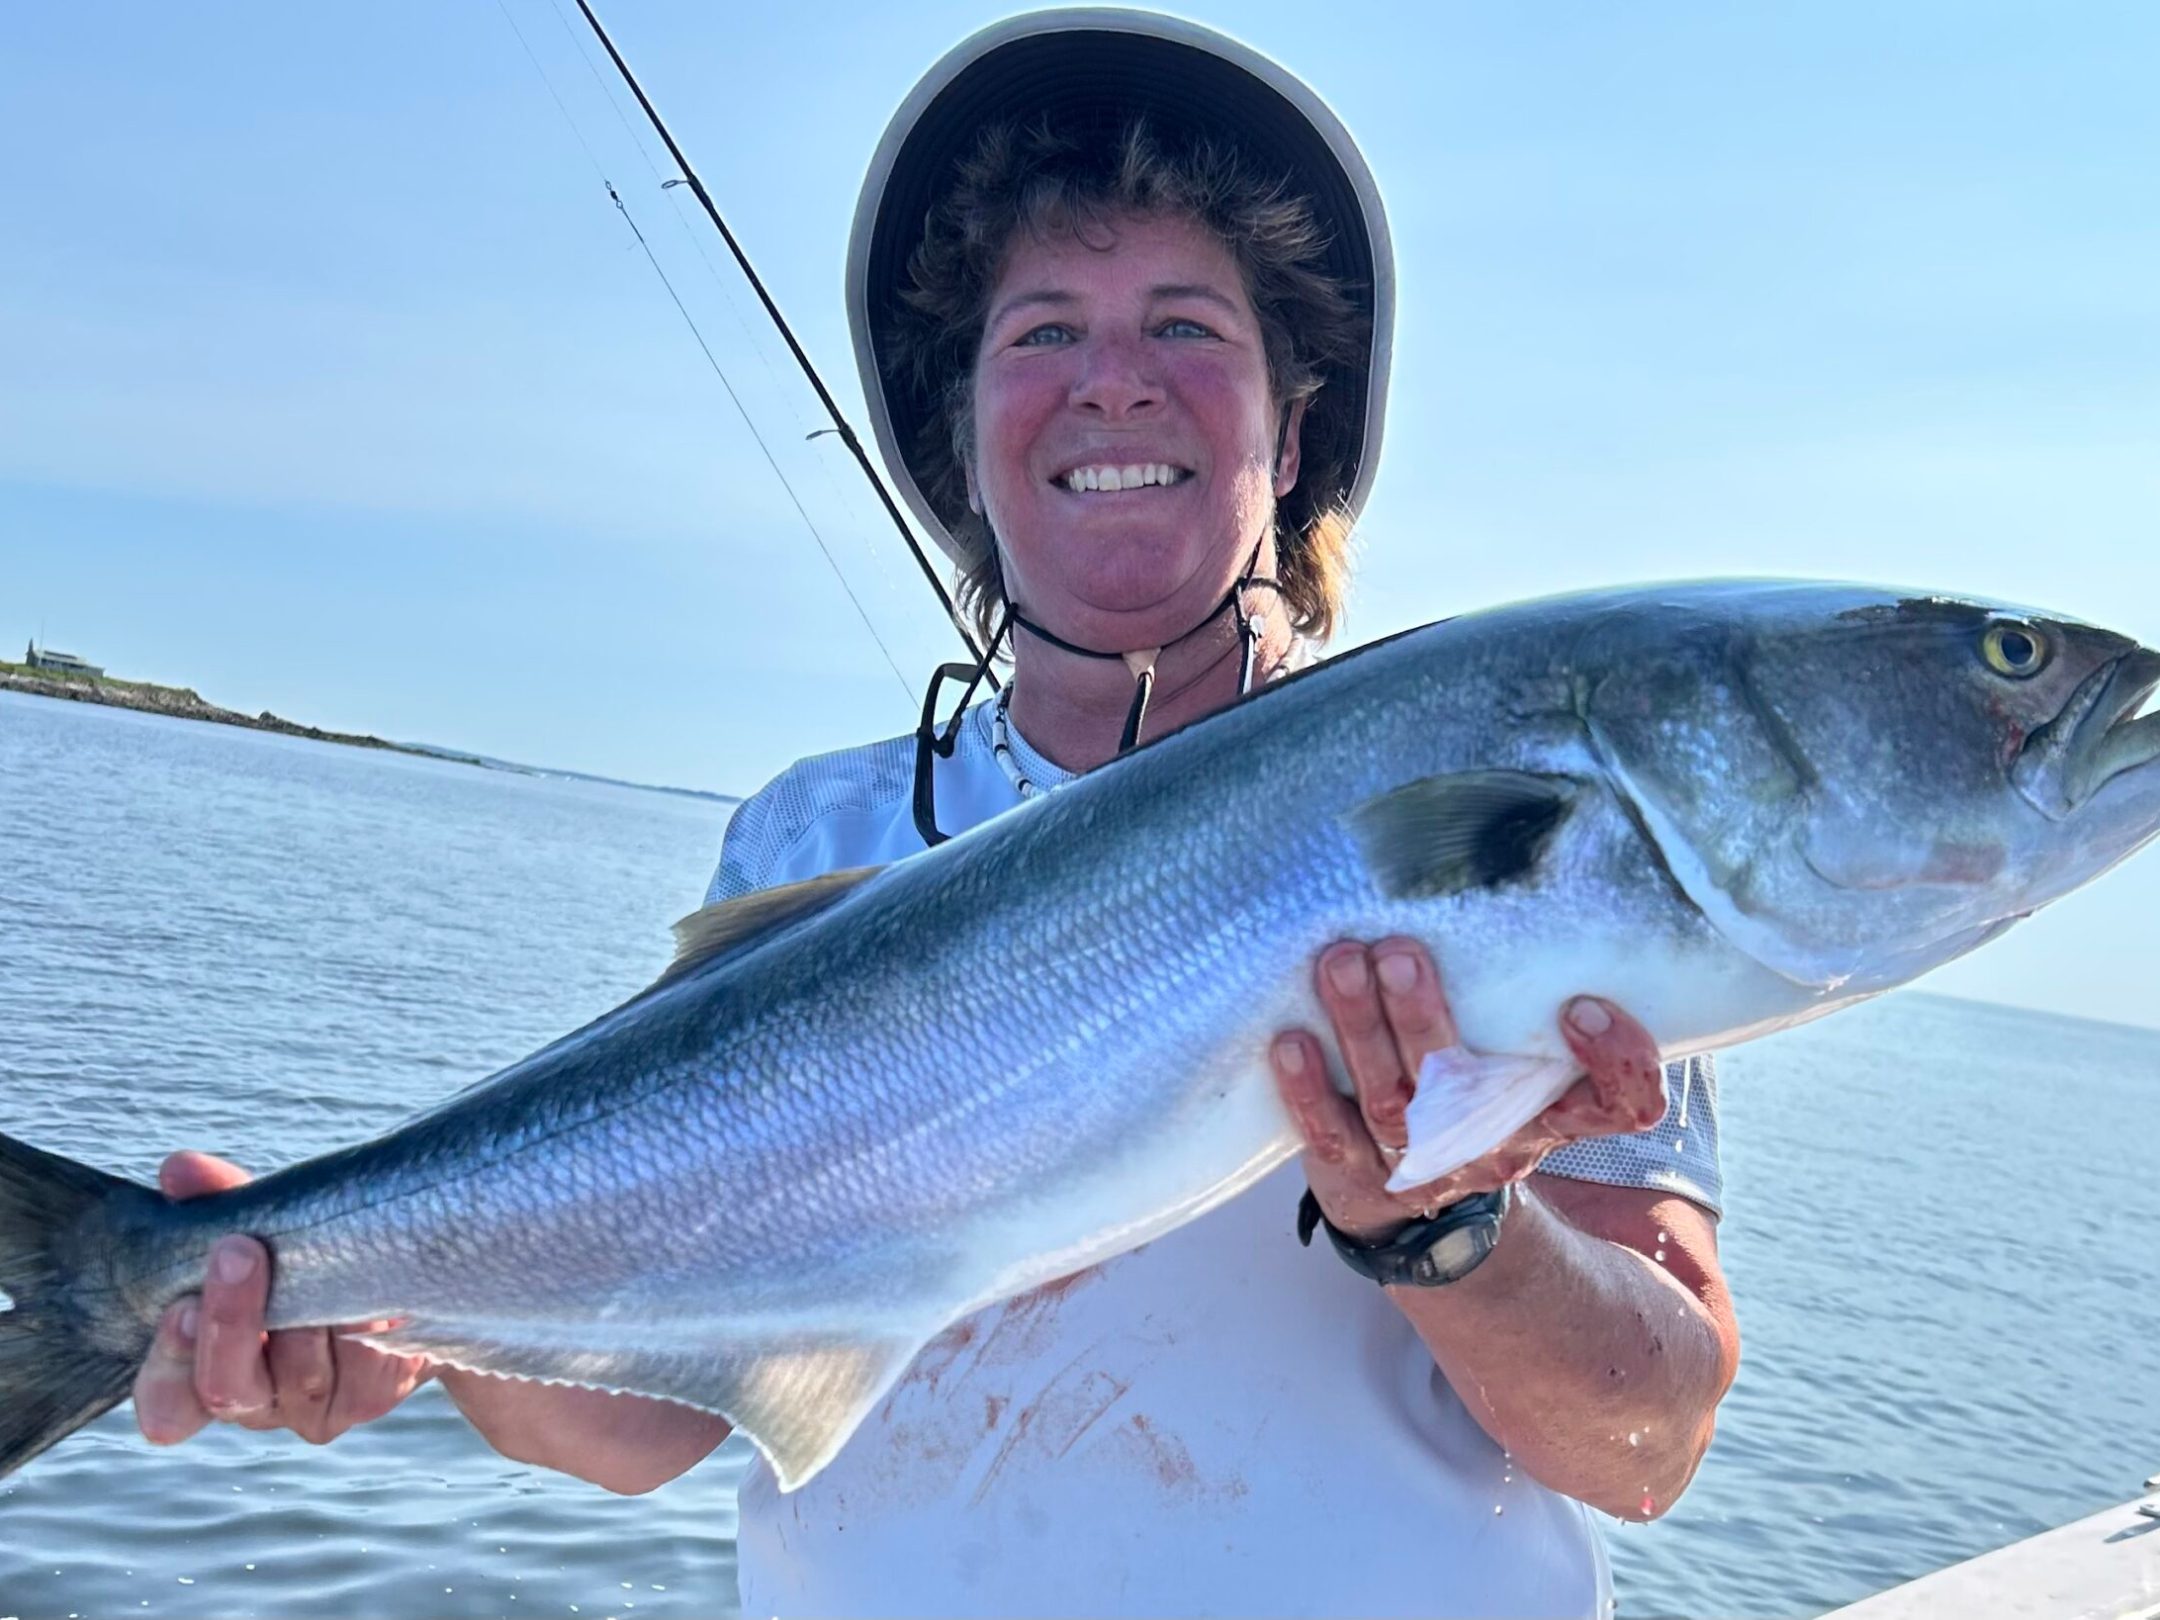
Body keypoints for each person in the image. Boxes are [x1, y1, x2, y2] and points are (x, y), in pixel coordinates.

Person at [135, 13, 1739, 1616]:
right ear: (960, 441)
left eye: (1187, 325)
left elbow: (1648, 1437)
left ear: (1290, 432)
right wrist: (381, 1318)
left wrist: (1454, 1225)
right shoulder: (810, 842)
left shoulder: (1500, 827)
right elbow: (625, 1426)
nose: (1115, 382)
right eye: (1041, 334)